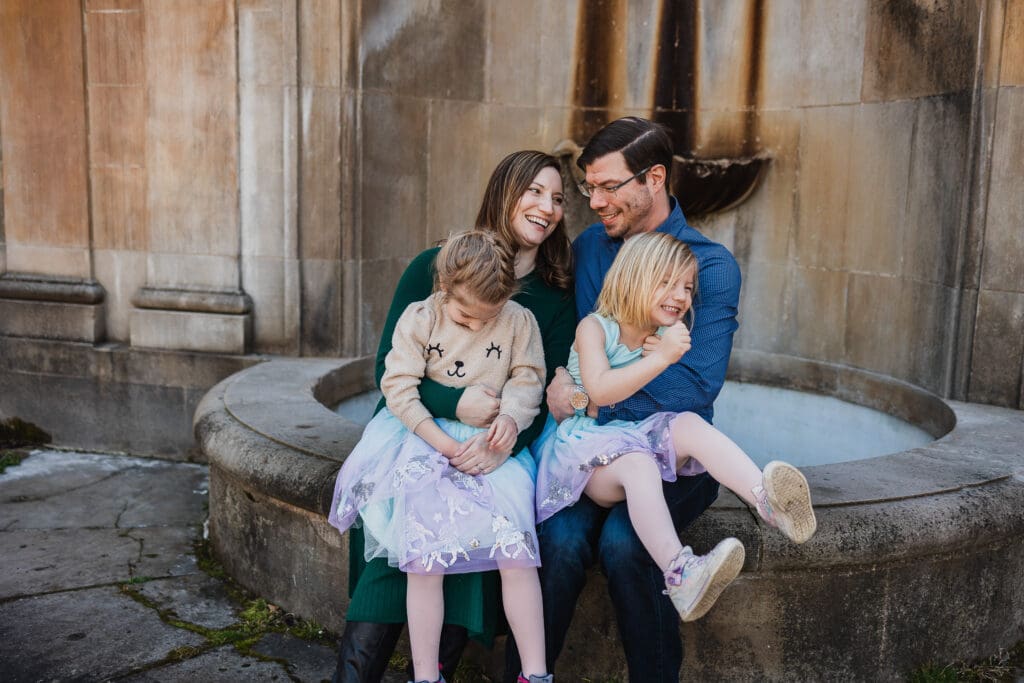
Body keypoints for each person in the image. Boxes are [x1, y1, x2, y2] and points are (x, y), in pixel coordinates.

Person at [504, 117, 743, 682]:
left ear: (654, 178)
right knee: (557, 545)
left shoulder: (708, 266)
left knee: (625, 546)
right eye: (589, 188)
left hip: (670, 458)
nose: (596, 202)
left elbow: (696, 385)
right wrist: (557, 382)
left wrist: (594, 396)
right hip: (588, 454)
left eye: (610, 187)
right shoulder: (588, 249)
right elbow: (555, 328)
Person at [332, 151, 576, 682]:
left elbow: (534, 385)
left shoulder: (553, 299)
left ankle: (434, 671)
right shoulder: (435, 266)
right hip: (415, 434)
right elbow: (388, 369)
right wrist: (454, 405)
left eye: (557, 198)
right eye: (534, 191)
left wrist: (500, 441)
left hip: (489, 451)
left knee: (473, 562)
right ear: (504, 193)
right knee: (392, 567)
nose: (547, 207)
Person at [533, 231, 816, 625]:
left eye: (686, 286)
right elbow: (599, 389)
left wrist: (665, 351)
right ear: (633, 279)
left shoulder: (666, 334)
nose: (681, 295)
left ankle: (767, 501)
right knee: (638, 464)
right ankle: (681, 573)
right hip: (584, 455)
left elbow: (687, 394)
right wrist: (660, 359)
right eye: (666, 283)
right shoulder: (595, 329)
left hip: (632, 434)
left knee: (689, 424)